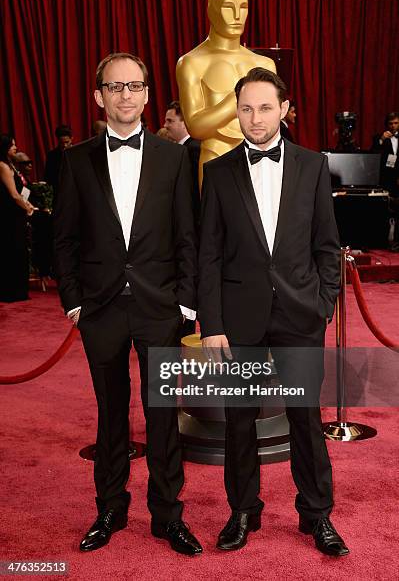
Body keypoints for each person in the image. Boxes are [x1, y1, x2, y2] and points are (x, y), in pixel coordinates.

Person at [54, 52, 201, 555]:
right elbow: (63, 240)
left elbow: (188, 234)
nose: (125, 96)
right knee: (110, 413)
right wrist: (74, 302)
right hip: (101, 310)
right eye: (114, 87)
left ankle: (167, 514)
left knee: (162, 413)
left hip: (160, 308)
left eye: (134, 86)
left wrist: (185, 301)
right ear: (99, 96)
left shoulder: (174, 157)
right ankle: (110, 507)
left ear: (146, 94)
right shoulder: (75, 160)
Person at [198, 68, 349, 556]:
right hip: (239, 319)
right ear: (236, 111)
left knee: (305, 417)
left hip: (300, 314)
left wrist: (322, 302)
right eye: (245, 108)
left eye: (265, 108)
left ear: (284, 109)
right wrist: (213, 324)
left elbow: (327, 245)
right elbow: (209, 255)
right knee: (239, 420)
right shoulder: (218, 172)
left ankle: (317, 514)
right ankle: (243, 511)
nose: (255, 118)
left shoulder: (311, 165)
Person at [176, 0, 276, 186]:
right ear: (211, 9)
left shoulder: (265, 64)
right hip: (215, 157)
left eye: (244, 7)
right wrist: (234, 102)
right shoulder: (192, 62)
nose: (238, 16)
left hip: (261, 160)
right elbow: (195, 126)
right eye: (228, 7)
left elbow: (273, 121)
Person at [0, 135, 35, 302]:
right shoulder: (3, 166)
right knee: (12, 251)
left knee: (19, 251)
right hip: (9, 216)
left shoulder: (11, 165)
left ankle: (19, 290)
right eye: (12, 145)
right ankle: (10, 291)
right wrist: (27, 207)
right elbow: (13, 194)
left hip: (16, 215)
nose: (15, 147)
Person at [370, 111, 399, 196]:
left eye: (396, 123)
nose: (393, 126)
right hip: (386, 176)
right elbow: (373, 154)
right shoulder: (378, 137)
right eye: (391, 123)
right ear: (387, 124)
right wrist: (381, 140)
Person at [44, 124, 73, 202]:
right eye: (61, 143)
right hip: (58, 193)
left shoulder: (78, 153)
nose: (64, 145)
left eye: (67, 142)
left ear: (72, 139)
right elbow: (48, 176)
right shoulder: (51, 156)